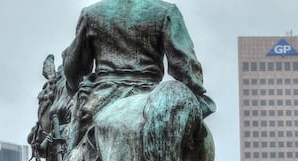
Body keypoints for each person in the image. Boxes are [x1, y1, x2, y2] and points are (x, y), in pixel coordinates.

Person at [62, 0, 215, 151]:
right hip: (152, 96)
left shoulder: (91, 14)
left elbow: (74, 70)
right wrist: (196, 92)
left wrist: (73, 82)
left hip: (103, 97)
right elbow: (185, 64)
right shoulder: (166, 11)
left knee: (75, 152)